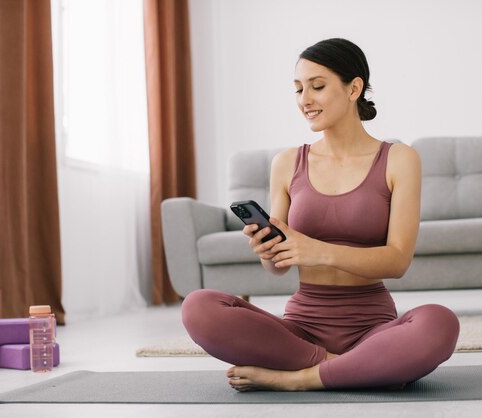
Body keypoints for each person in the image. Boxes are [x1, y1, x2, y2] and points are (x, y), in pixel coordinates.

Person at [182, 38, 460, 391]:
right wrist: (269, 251)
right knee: (198, 306)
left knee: (440, 323)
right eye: (298, 90)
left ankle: (297, 380)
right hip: (300, 332)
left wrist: (316, 250)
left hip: (373, 329)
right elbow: (278, 268)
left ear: (353, 88)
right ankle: (353, 370)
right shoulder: (286, 163)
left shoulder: (399, 159)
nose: (305, 100)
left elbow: (397, 261)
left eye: (317, 86)